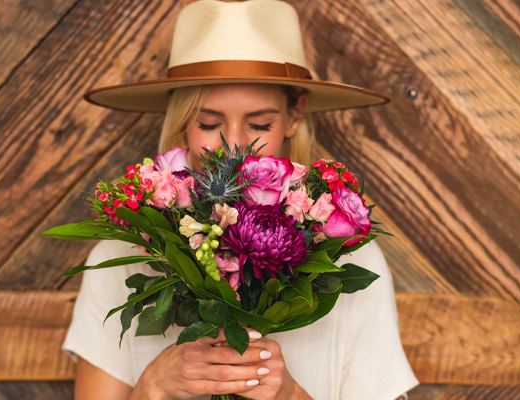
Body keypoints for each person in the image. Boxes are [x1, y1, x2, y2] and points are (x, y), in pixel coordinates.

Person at [62, 1, 420, 399]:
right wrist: (154, 387)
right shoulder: (116, 256)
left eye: (260, 124)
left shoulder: (353, 262)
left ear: (295, 115)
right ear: (182, 121)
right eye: (209, 123)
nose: (236, 147)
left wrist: (288, 395)